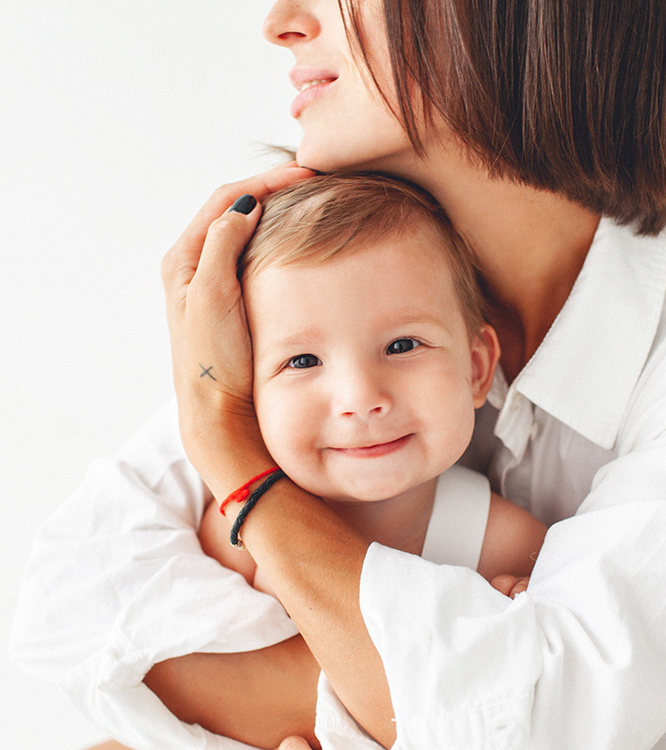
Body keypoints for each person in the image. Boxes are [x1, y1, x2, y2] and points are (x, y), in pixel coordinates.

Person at [11, 1, 666, 749]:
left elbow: (530, 731)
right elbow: (69, 613)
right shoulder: (322, 270)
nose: (280, 22)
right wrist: (442, 683)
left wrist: (227, 444)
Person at [199, 171, 546, 616]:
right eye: (302, 361)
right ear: (248, 393)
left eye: (402, 346)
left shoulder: (508, 547)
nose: (361, 399)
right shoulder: (237, 539)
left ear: (477, 369)